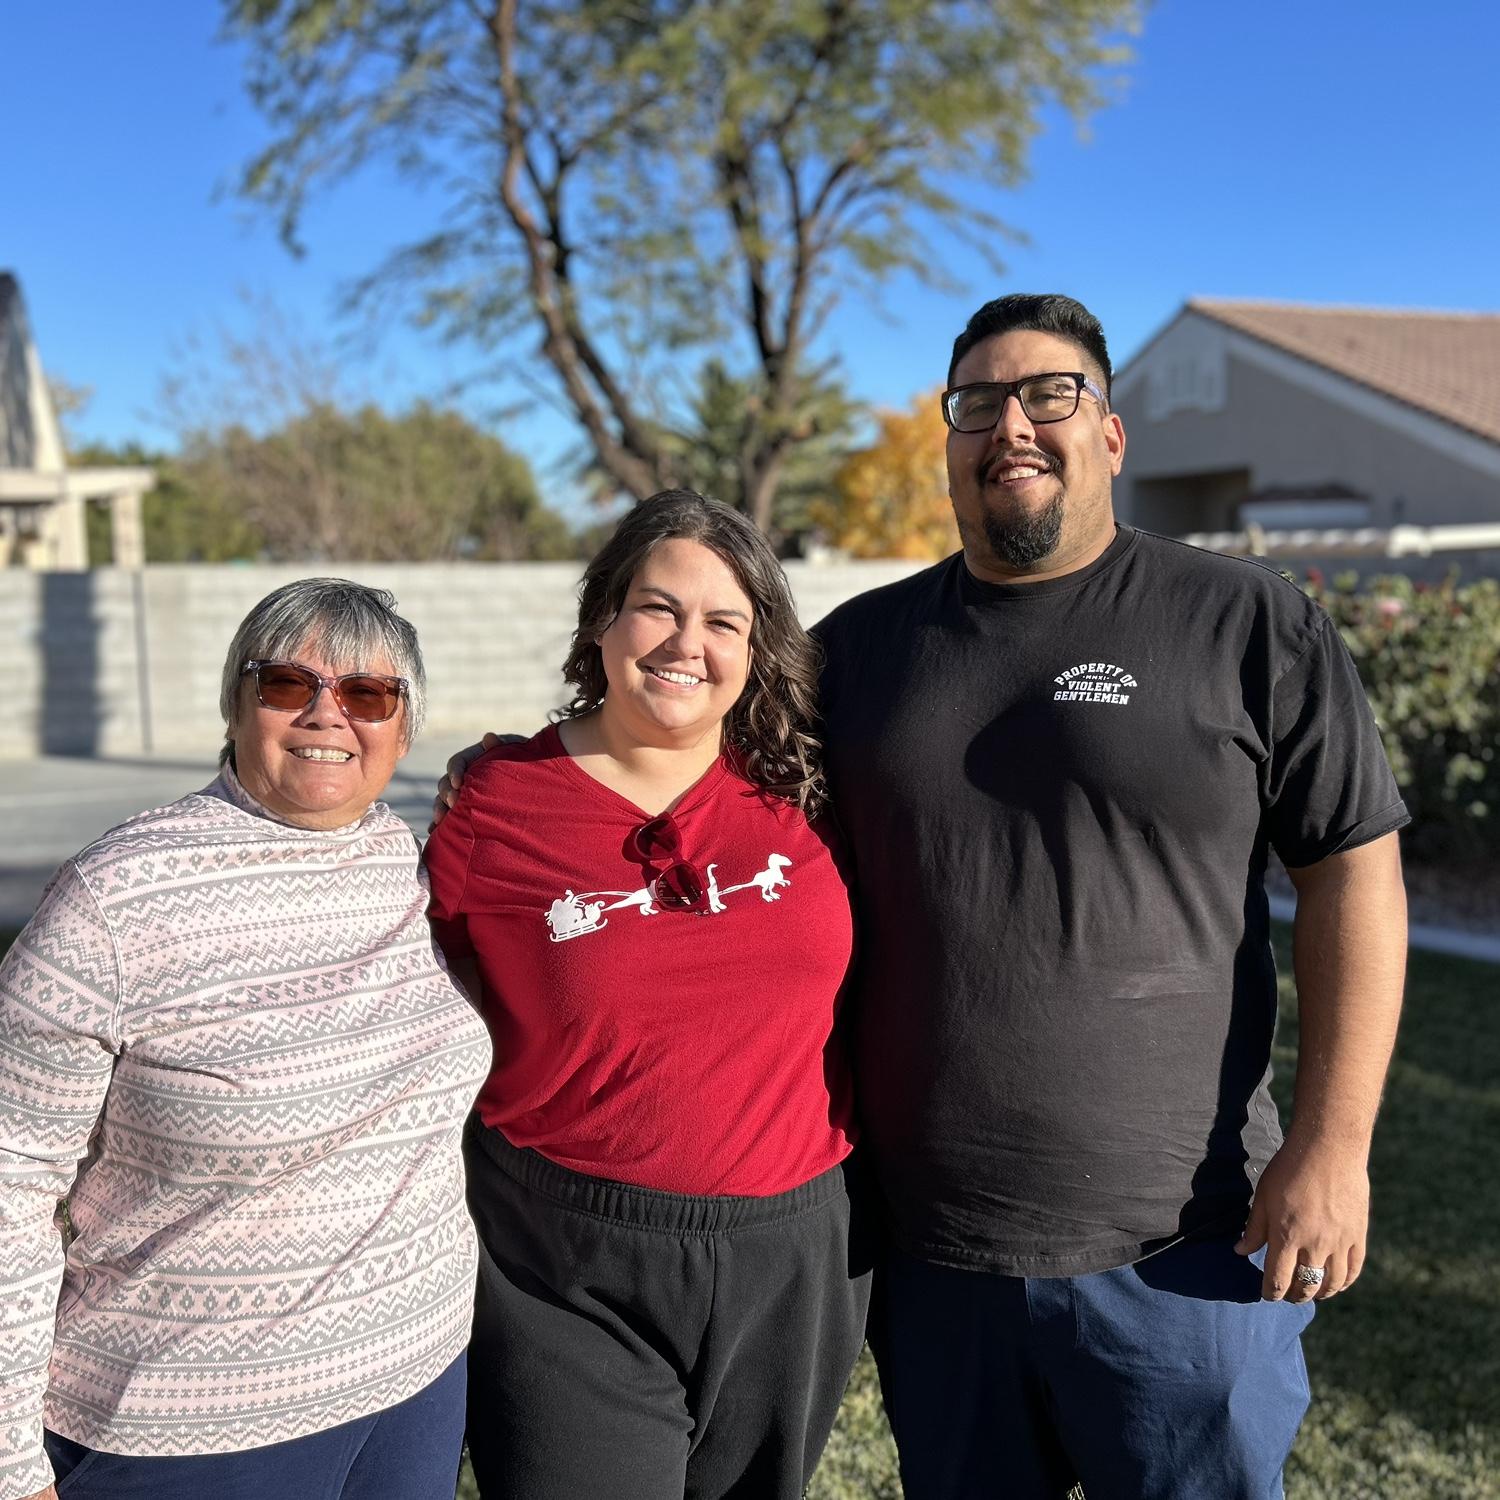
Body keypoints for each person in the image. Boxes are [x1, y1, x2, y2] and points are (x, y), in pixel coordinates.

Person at [810, 293, 1410, 1498]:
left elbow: (1353, 868)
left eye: (1049, 395)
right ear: (949, 442)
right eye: (977, 404)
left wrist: (1333, 1146)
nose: (1012, 426)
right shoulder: (856, 651)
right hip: (936, 1263)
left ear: (1113, 435)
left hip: (1189, 1254)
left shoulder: (1244, 620)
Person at [0, 579, 491, 1500]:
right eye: (284, 684)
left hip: (415, 1378)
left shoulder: (416, 861)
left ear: (403, 728)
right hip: (186, 1427)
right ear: (235, 702)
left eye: (367, 696)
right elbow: (9, 1175)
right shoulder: (117, 899)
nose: (325, 715)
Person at [422, 490, 869, 1500]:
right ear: (603, 619)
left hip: (793, 1256)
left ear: (755, 652)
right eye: (658, 607)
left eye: (724, 622)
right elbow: (410, 1005)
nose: (686, 643)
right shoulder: (495, 803)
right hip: (567, 1261)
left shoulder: (810, 790)